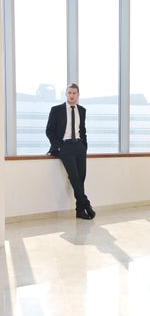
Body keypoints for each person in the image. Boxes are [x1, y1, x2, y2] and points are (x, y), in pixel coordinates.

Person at [46, 83, 96, 220]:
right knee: (74, 177)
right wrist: (59, 146)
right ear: (66, 94)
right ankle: (86, 204)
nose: (72, 95)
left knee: (81, 178)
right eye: (69, 93)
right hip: (65, 147)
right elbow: (49, 131)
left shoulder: (82, 110)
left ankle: (80, 211)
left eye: (74, 93)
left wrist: (84, 146)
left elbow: (83, 130)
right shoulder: (56, 110)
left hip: (79, 147)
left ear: (78, 95)